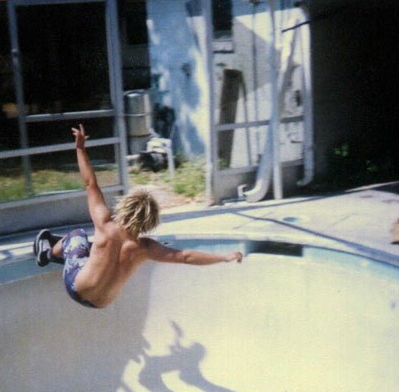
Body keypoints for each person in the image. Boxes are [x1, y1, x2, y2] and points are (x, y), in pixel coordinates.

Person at [33, 124, 243, 309]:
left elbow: (91, 183)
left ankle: (48, 253)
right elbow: (185, 256)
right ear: (149, 222)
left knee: (76, 236)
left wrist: (80, 148)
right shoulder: (146, 248)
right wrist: (224, 257)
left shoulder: (105, 225)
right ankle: (73, 257)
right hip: (101, 303)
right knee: (90, 249)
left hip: (76, 287)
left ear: (124, 207)